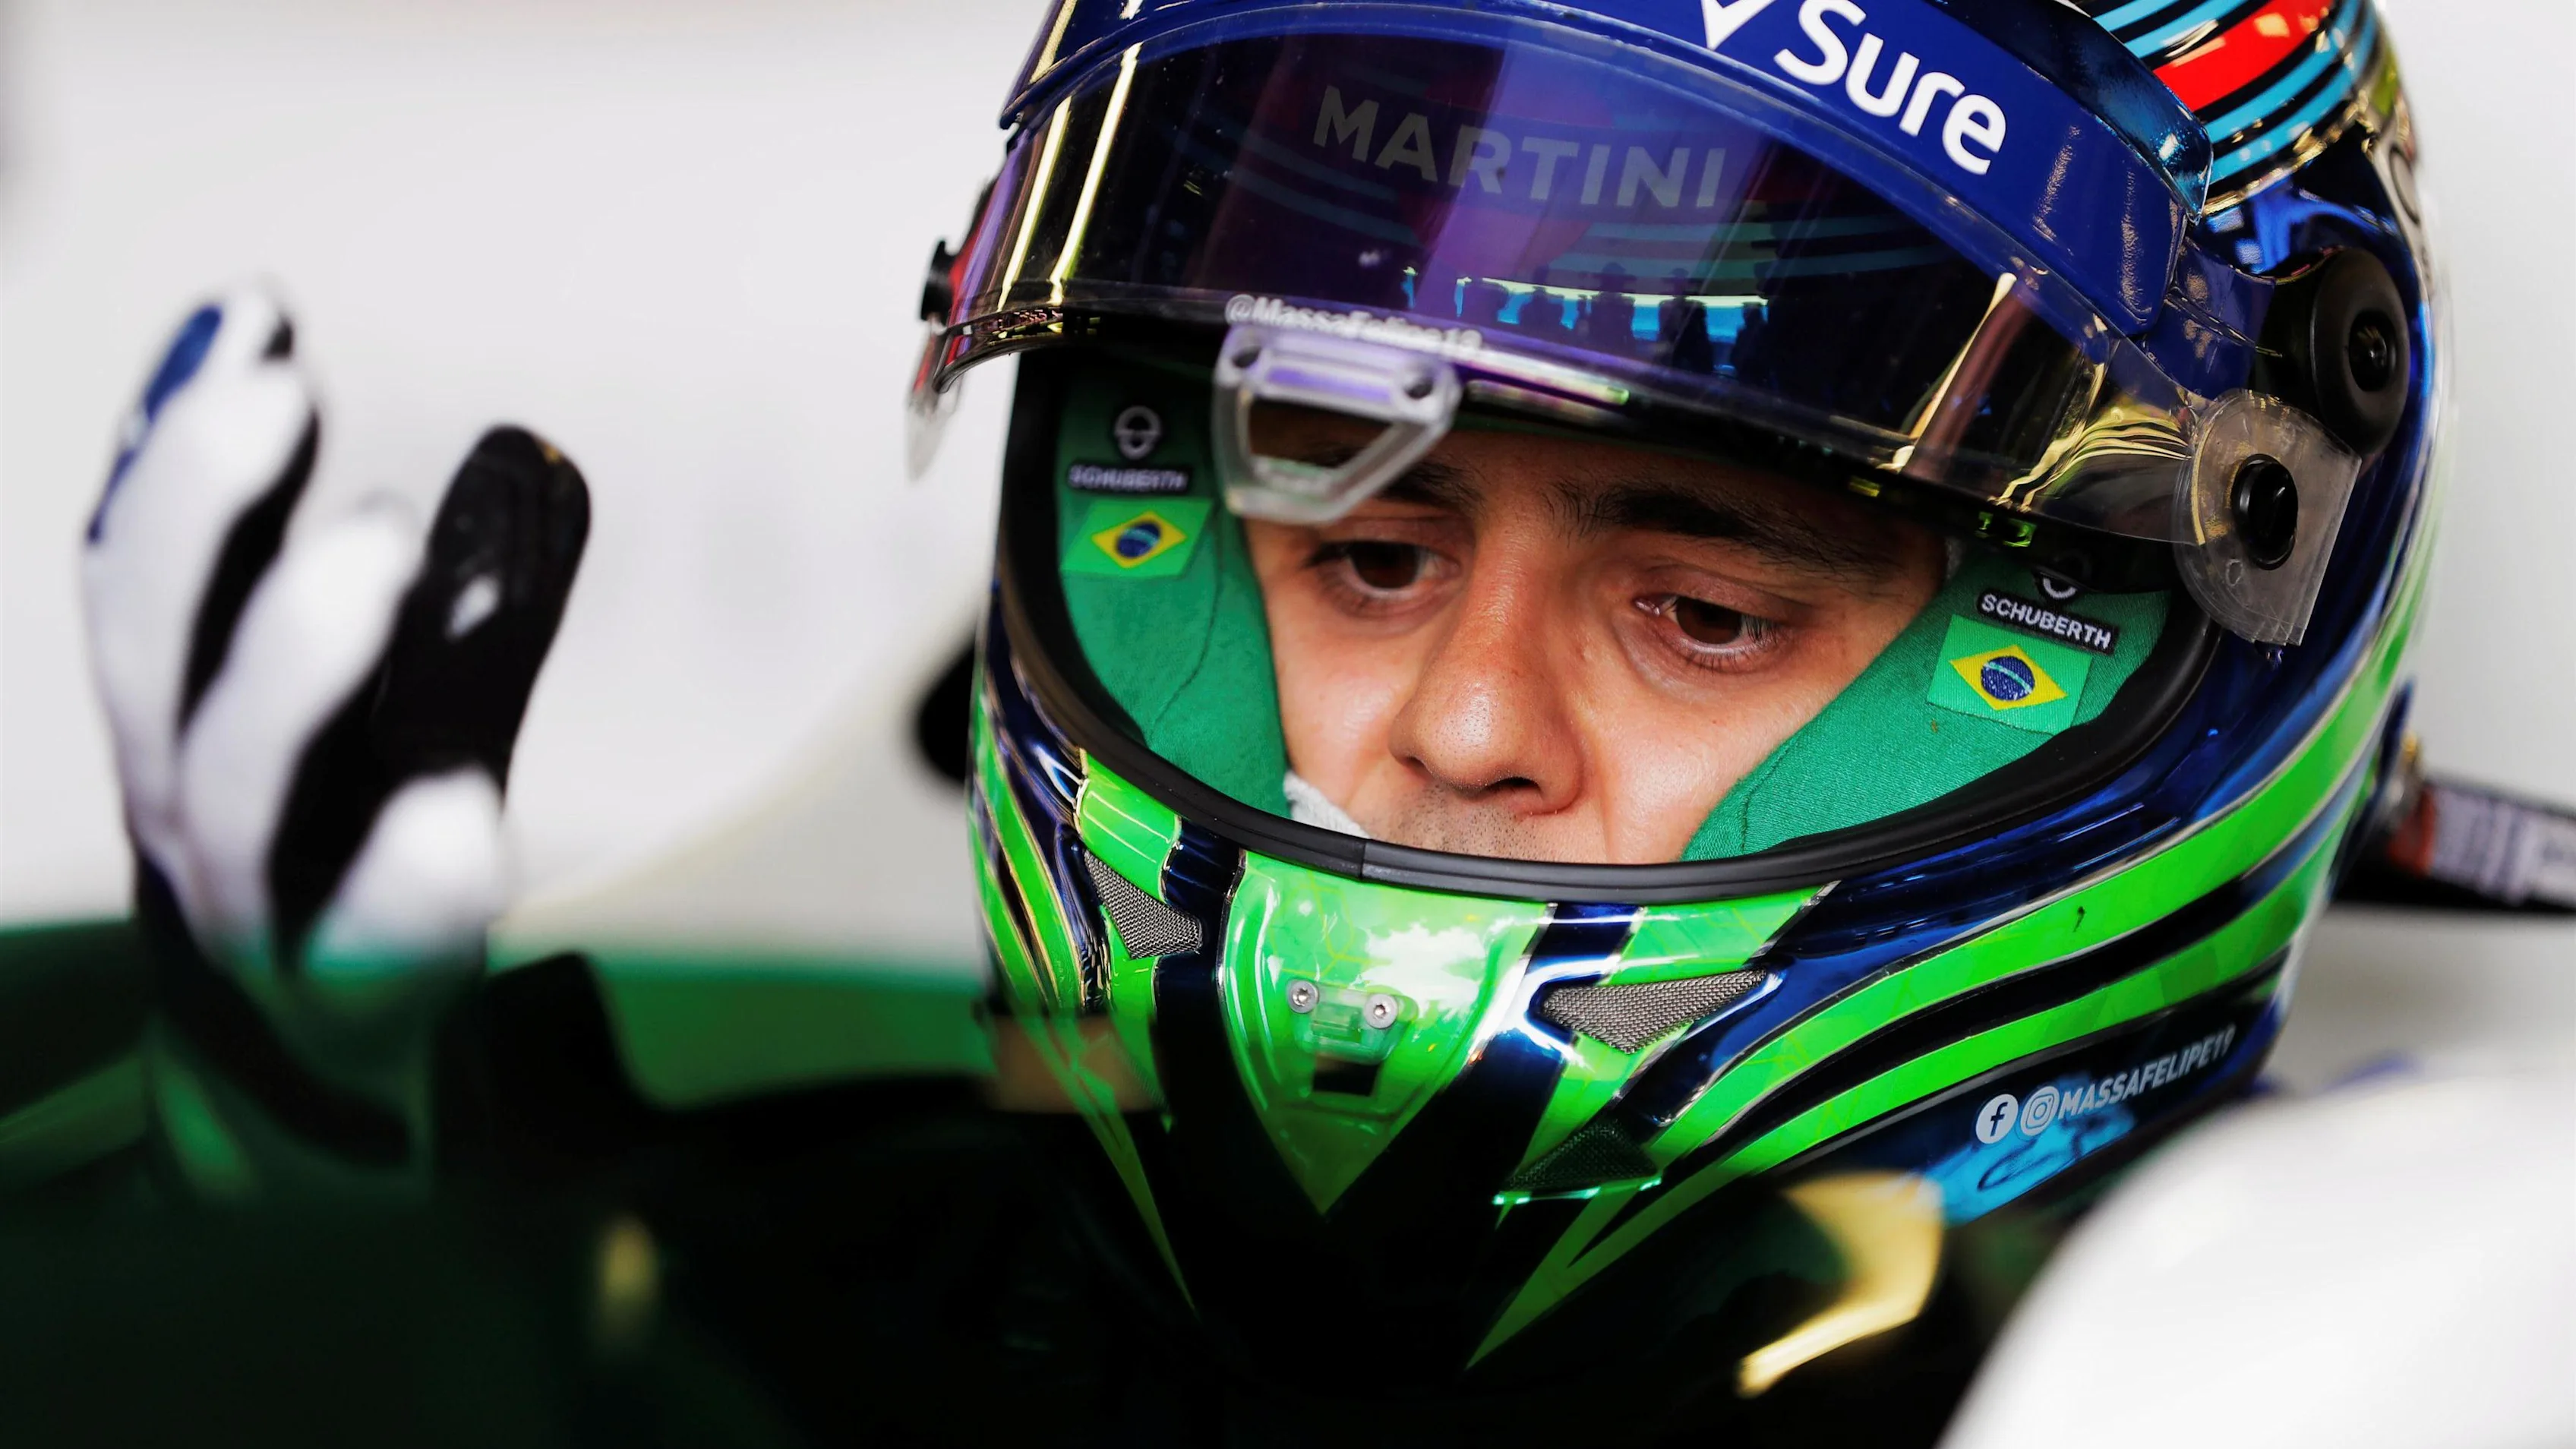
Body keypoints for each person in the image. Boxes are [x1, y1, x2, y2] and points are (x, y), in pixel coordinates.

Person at [17, 0, 2557, 1442]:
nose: (1454, 727)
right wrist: (289, 1222)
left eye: (1701, 604)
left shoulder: (2356, 1355)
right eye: (1363, 549)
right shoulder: (736, 1215)